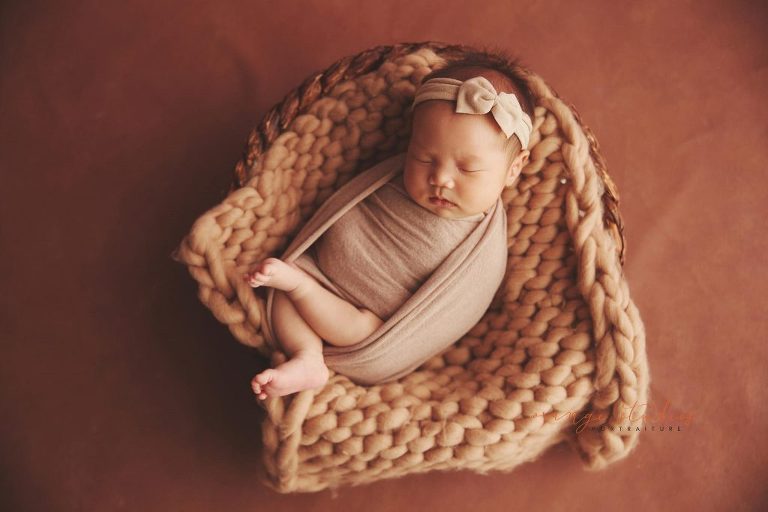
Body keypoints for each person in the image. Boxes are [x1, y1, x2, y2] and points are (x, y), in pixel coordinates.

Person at [243, 57, 534, 399]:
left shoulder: (484, 248)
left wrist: (305, 288)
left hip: (370, 325)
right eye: (423, 158)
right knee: (280, 293)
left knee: (337, 314)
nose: (440, 178)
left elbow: (457, 309)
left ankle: (301, 291)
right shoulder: (392, 178)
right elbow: (347, 207)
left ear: (514, 169)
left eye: (468, 169)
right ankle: (307, 357)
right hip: (321, 271)